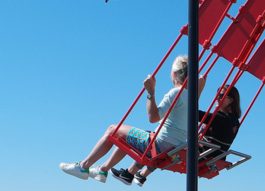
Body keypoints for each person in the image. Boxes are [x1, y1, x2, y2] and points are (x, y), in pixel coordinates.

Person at [59, 55, 205, 182]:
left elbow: (153, 117)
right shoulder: (193, 97)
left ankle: (83, 167)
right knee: (124, 136)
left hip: (159, 146)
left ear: (174, 74)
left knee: (112, 129)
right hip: (174, 149)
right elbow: (202, 79)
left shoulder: (175, 93)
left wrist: (150, 92)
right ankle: (103, 170)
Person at [111, 84, 241, 186]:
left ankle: (130, 173)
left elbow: (194, 113)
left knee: (158, 144)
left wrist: (179, 104)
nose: (217, 97)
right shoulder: (234, 121)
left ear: (230, 100)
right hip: (209, 157)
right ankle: (140, 175)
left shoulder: (222, 118)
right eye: (217, 93)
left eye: (221, 95)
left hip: (201, 155)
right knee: (167, 146)